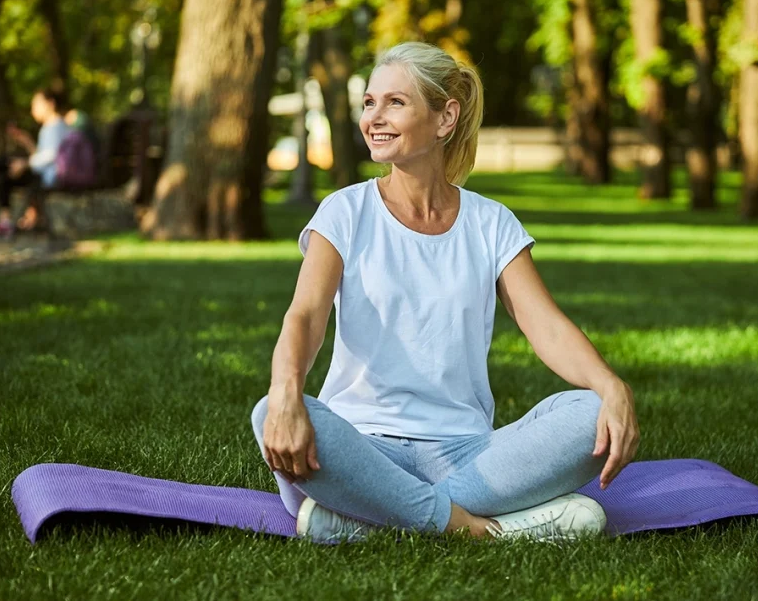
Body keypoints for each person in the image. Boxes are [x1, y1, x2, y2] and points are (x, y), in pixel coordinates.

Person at [251, 42, 640, 544]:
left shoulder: (490, 222)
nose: (374, 117)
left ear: (444, 117)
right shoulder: (344, 212)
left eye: (395, 102)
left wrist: (611, 386)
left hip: (466, 453)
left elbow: (543, 324)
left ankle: (369, 516)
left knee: (590, 414)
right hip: (361, 443)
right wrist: (286, 393)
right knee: (269, 413)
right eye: (369, 102)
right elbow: (305, 317)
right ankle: (474, 528)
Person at [0, 88, 71, 235]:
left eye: (36, 104)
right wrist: (26, 142)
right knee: (4, 173)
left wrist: (25, 164)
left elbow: (51, 156)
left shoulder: (57, 126)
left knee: (4, 167)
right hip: (42, 175)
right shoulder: (49, 127)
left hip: (48, 178)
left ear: (50, 104)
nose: (33, 109)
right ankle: (5, 220)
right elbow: (41, 154)